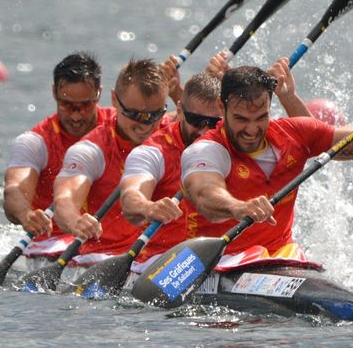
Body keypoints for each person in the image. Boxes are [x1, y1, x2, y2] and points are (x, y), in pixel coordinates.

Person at [180, 65, 353, 271]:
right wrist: (238, 207)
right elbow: (204, 193)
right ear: (221, 107)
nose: (252, 129)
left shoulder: (296, 134)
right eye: (241, 119)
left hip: (282, 258)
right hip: (220, 261)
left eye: (261, 117)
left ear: (269, 106)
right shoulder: (206, 150)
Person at [117, 58, 311, 270]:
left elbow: (308, 140)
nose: (204, 130)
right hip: (166, 265)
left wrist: (287, 97)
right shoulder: (154, 152)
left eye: (213, 123)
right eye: (196, 120)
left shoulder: (241, 140)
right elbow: (130, 199)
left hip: (228, 258)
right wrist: (148, 207)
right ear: (180, 111)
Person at [51, 58, 170, 265]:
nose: (145, 125)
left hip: (162, 257)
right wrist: (76, 221)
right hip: (105, 258)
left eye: (154, 115)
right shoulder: (91, 150)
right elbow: (64, 200)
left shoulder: (172, 134)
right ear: (114, 100)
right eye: (134, 114)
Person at [3, 52, 114, 257]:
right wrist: (26, 215)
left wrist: (176, 94)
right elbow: (14, 190)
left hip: (110, 241)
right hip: (53, 242)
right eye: (67, 105)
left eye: (85, 105)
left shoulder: (120, 128)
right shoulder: (35, 143)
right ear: (54, 92)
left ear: (99, 93)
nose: (76, 115)